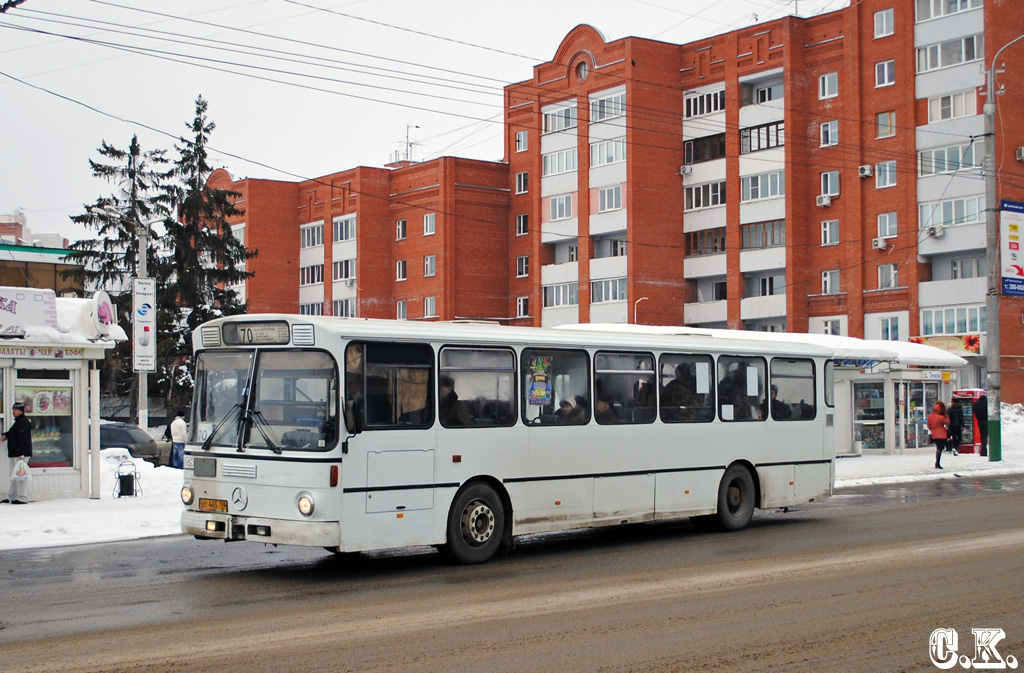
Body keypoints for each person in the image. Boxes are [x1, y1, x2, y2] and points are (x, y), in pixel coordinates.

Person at [2, 402, 33, 504]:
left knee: (20, 476)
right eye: (13, 409)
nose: (13, 411)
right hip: (15, 453)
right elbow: (12, 433)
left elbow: (24, 439)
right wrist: (6, 435)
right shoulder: (18, 422)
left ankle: (22, 498)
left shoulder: (24, 422)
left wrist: (21, 453)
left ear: (20, 411)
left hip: (20, 454)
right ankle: (12, 496)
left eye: (15, 409)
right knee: (14, 475)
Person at [927, 401, 950, 469]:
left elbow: (929, 426)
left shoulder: (930, 416)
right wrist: (946, 415)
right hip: (941, 435)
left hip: (934, 434)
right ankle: (937, 463)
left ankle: (937, 463)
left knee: (938, 448)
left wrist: (933, 429)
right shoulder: (941, 417)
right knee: (940, 449)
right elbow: (947, 421)